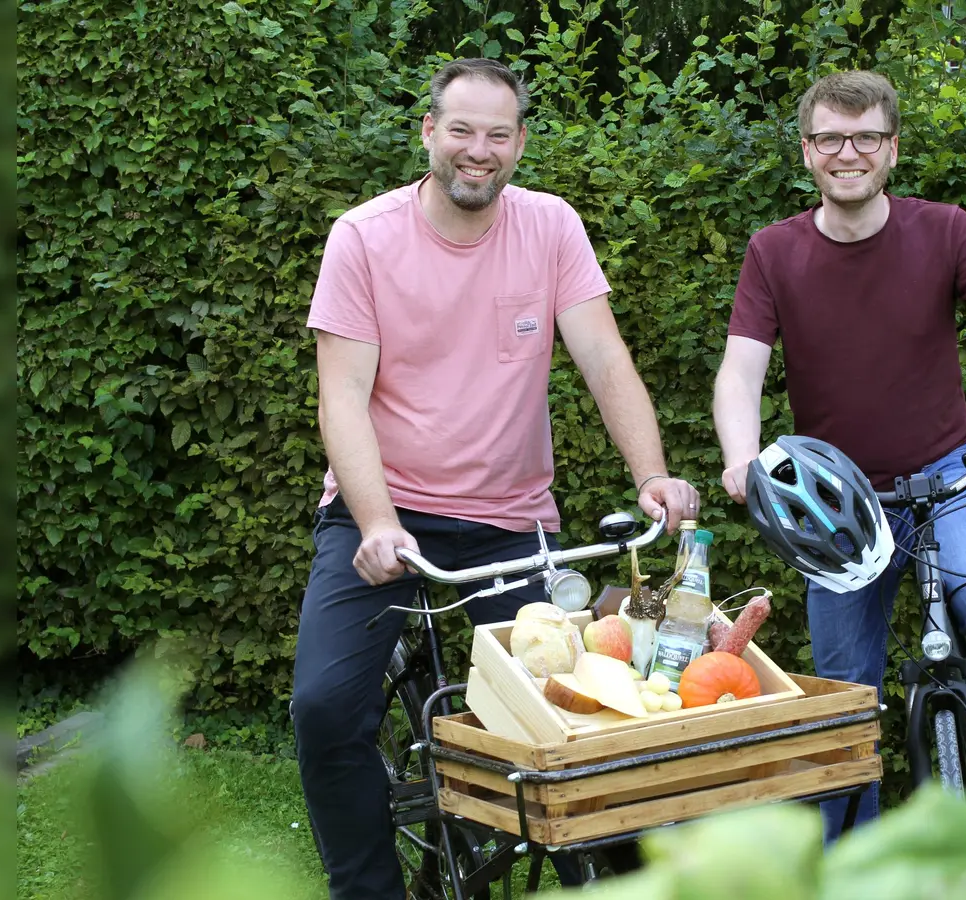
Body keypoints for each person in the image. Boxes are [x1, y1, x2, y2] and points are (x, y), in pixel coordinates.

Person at [293, 58, 699, 899]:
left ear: (519, 142)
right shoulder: (363, 236)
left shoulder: (549, 227)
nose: (478, 151)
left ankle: (637, 881)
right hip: (384, 516)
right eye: (462, 131)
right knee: (327, 712)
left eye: (498, 134)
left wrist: (652, 475)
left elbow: (604, 359)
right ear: (428, 133)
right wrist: (374, 521)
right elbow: (343, 398)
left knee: (587, 711)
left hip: (512, 522)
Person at [712, 71, 966, 840]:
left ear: (891, 148)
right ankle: (849, 856)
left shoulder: (945, 230)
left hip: (949, 477)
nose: (846, 153)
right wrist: (743, 460)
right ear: (808, 149)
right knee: (843, 688)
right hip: (837, 502)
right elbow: (741, 370)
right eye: (828, 137)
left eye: (864, 138)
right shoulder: (773, 251)